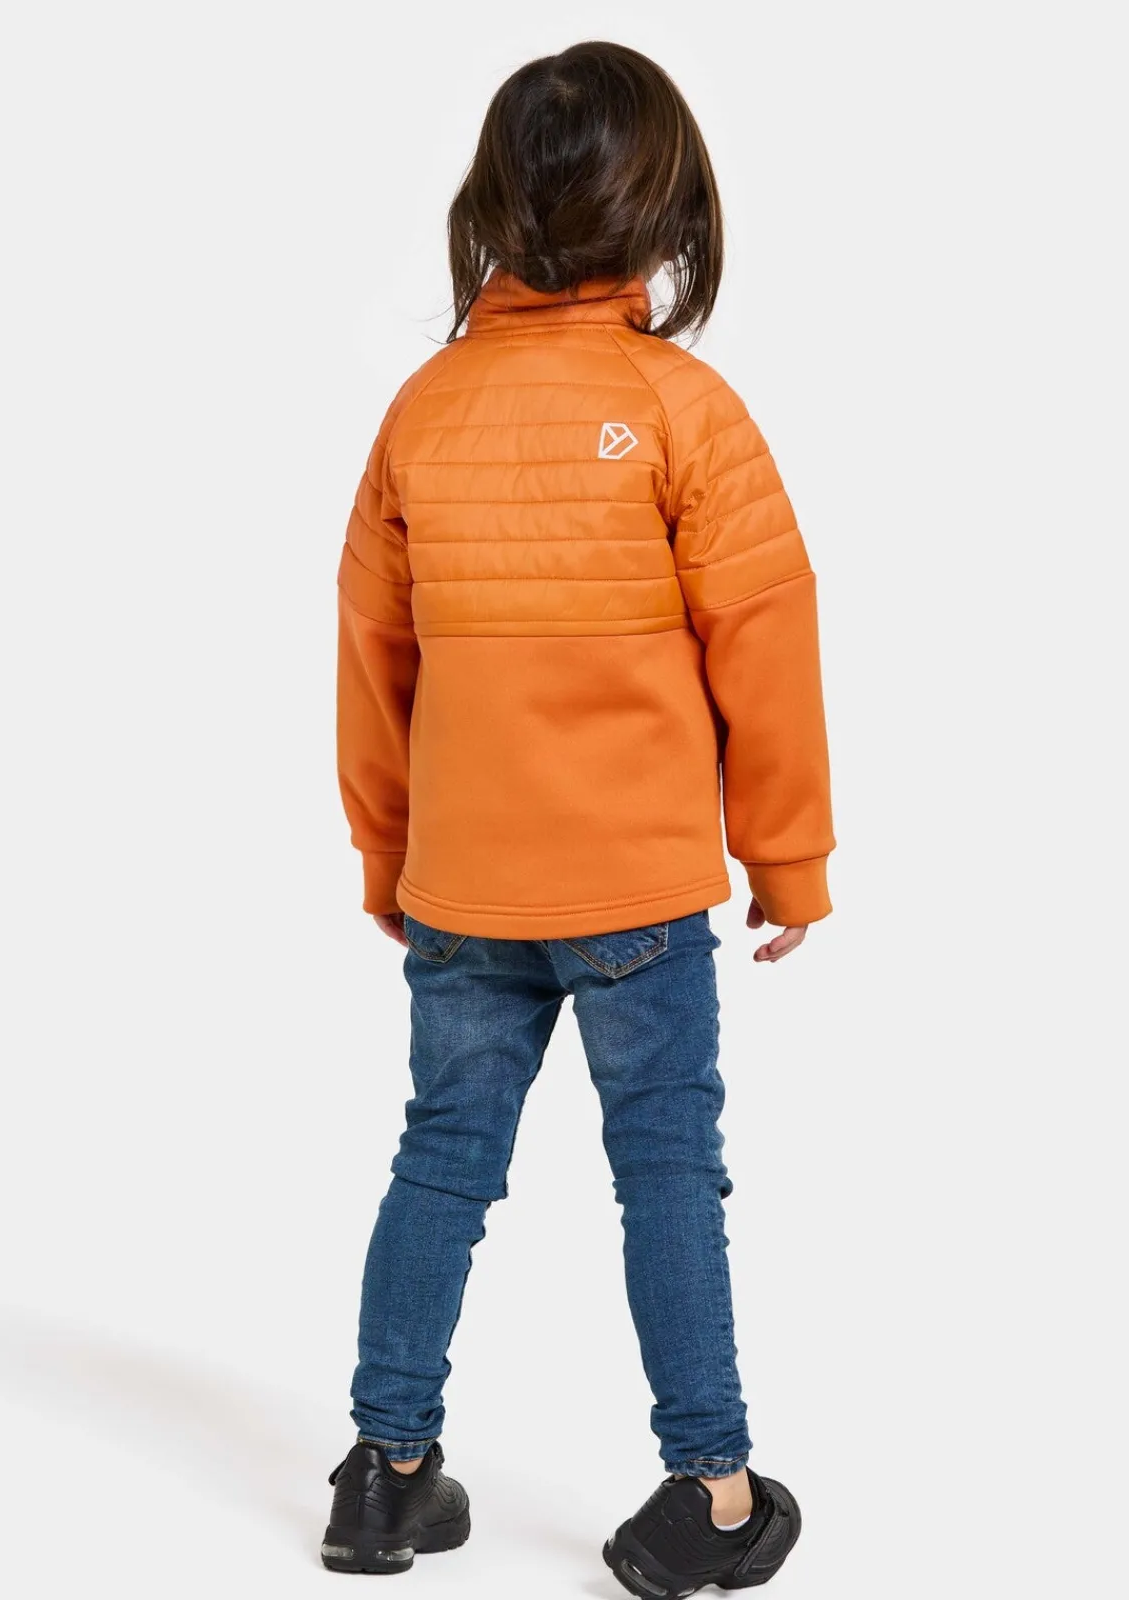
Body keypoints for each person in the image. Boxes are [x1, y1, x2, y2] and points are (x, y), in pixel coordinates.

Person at [323, 39, 833, 1599]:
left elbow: (373, 654)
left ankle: (384, 1474)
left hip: (463, 887)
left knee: (441, 1162)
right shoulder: (683, 408)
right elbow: (766, 641)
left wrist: (388, 850)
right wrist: (788, 858)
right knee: (668, 1175)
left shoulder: (425, 412)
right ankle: (716, 1496)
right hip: (636, 900)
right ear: (668, 213)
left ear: (494, 204)